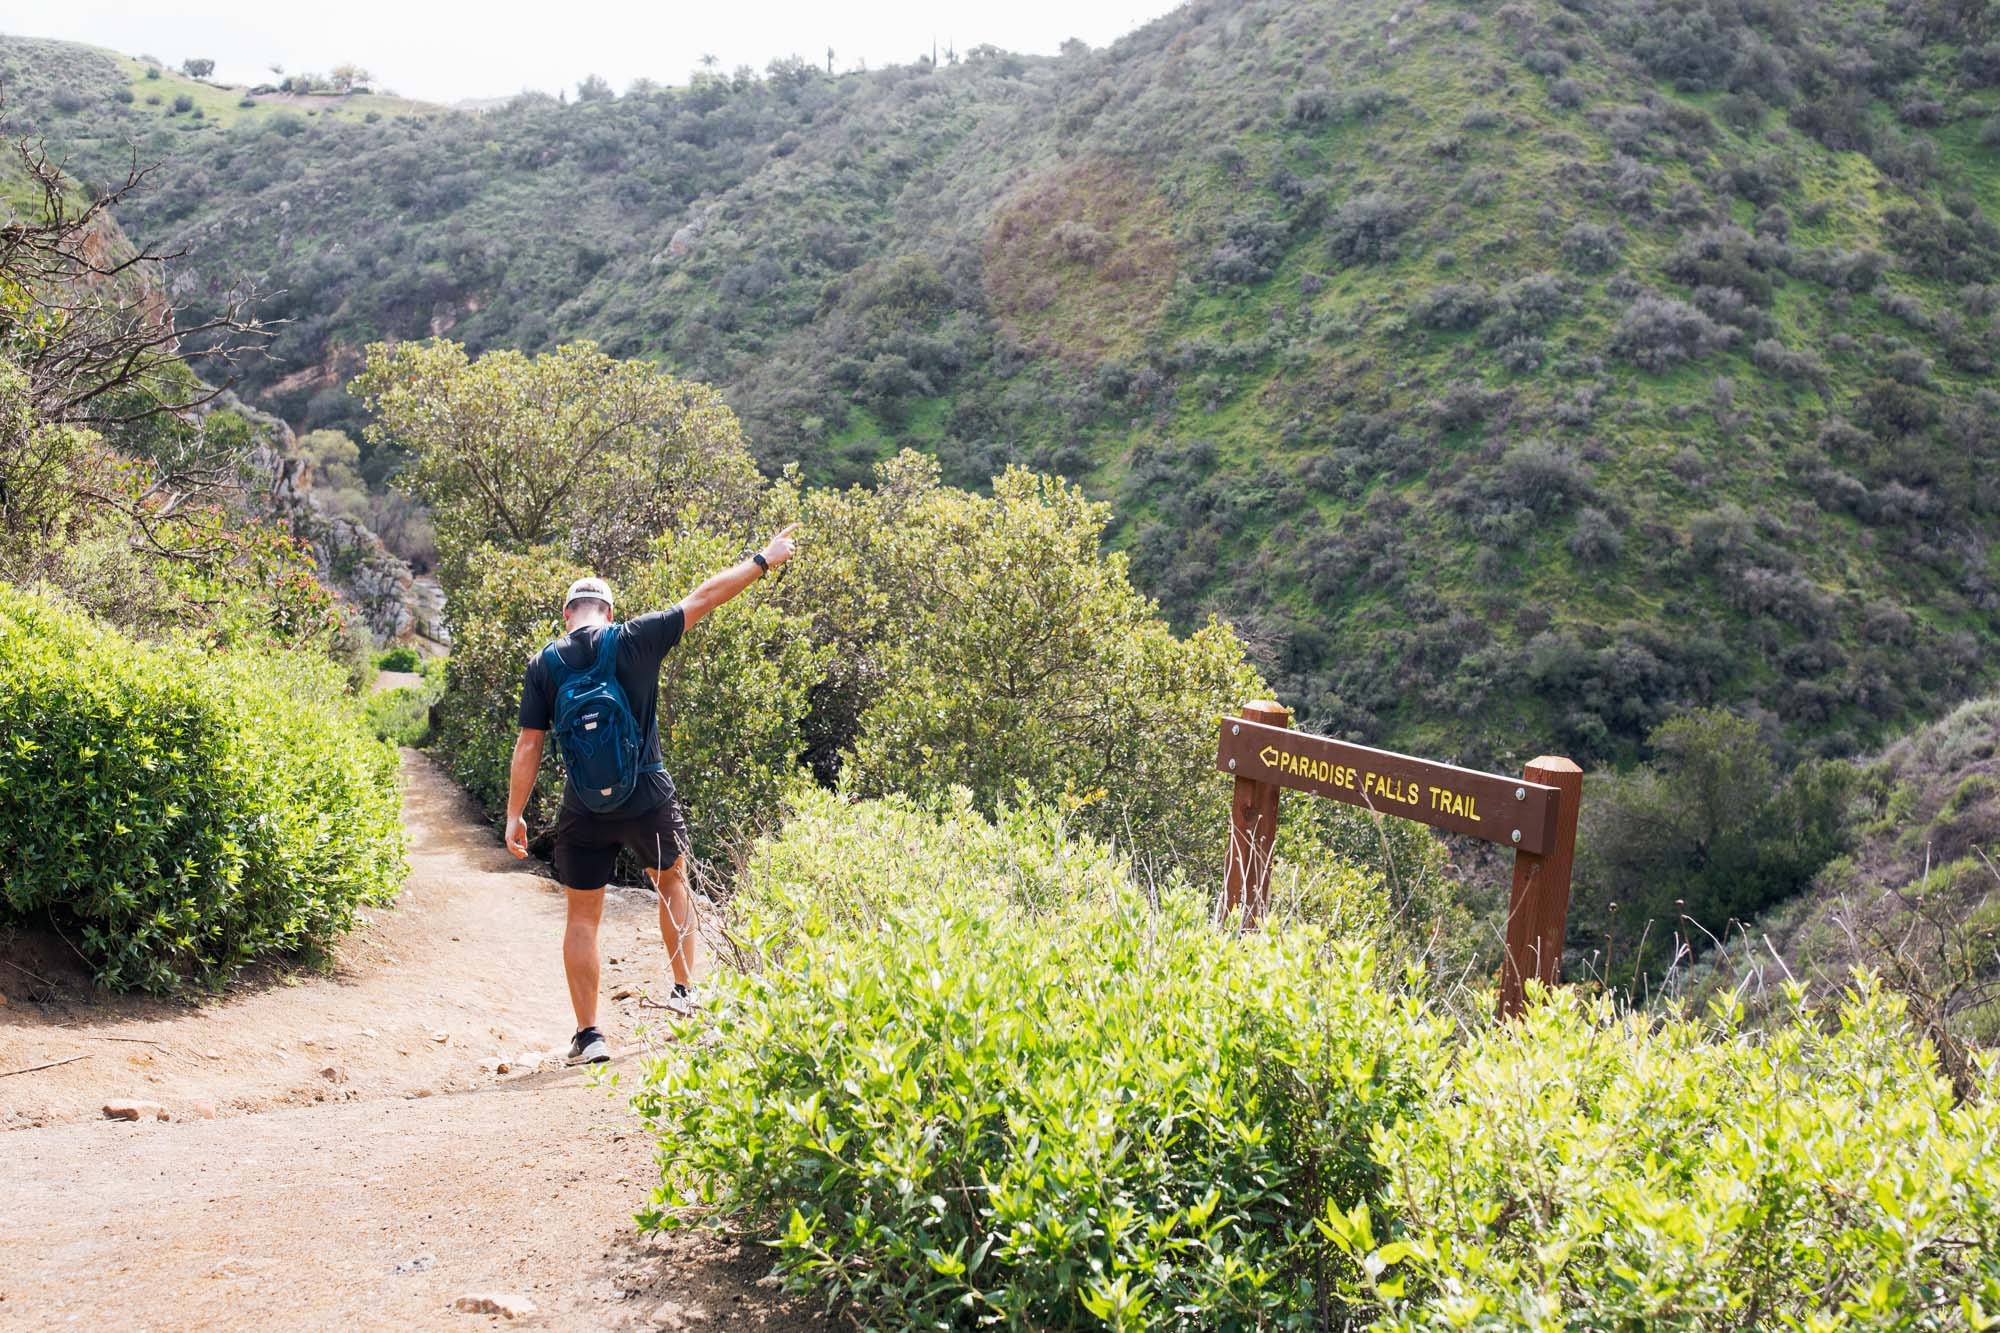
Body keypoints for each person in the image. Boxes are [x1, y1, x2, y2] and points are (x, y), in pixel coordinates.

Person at [504, 525, 798, 1064]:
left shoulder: (545, 664)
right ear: (608, 612)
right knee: (671, 883)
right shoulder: (635, 638)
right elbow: (706, 595)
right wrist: (765, 559)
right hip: (648, 794)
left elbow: (529, 745)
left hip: (582, 807)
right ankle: (686, 995)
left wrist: (515, 816)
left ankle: (589, 1036)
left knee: (582, 917)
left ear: (568, 615)